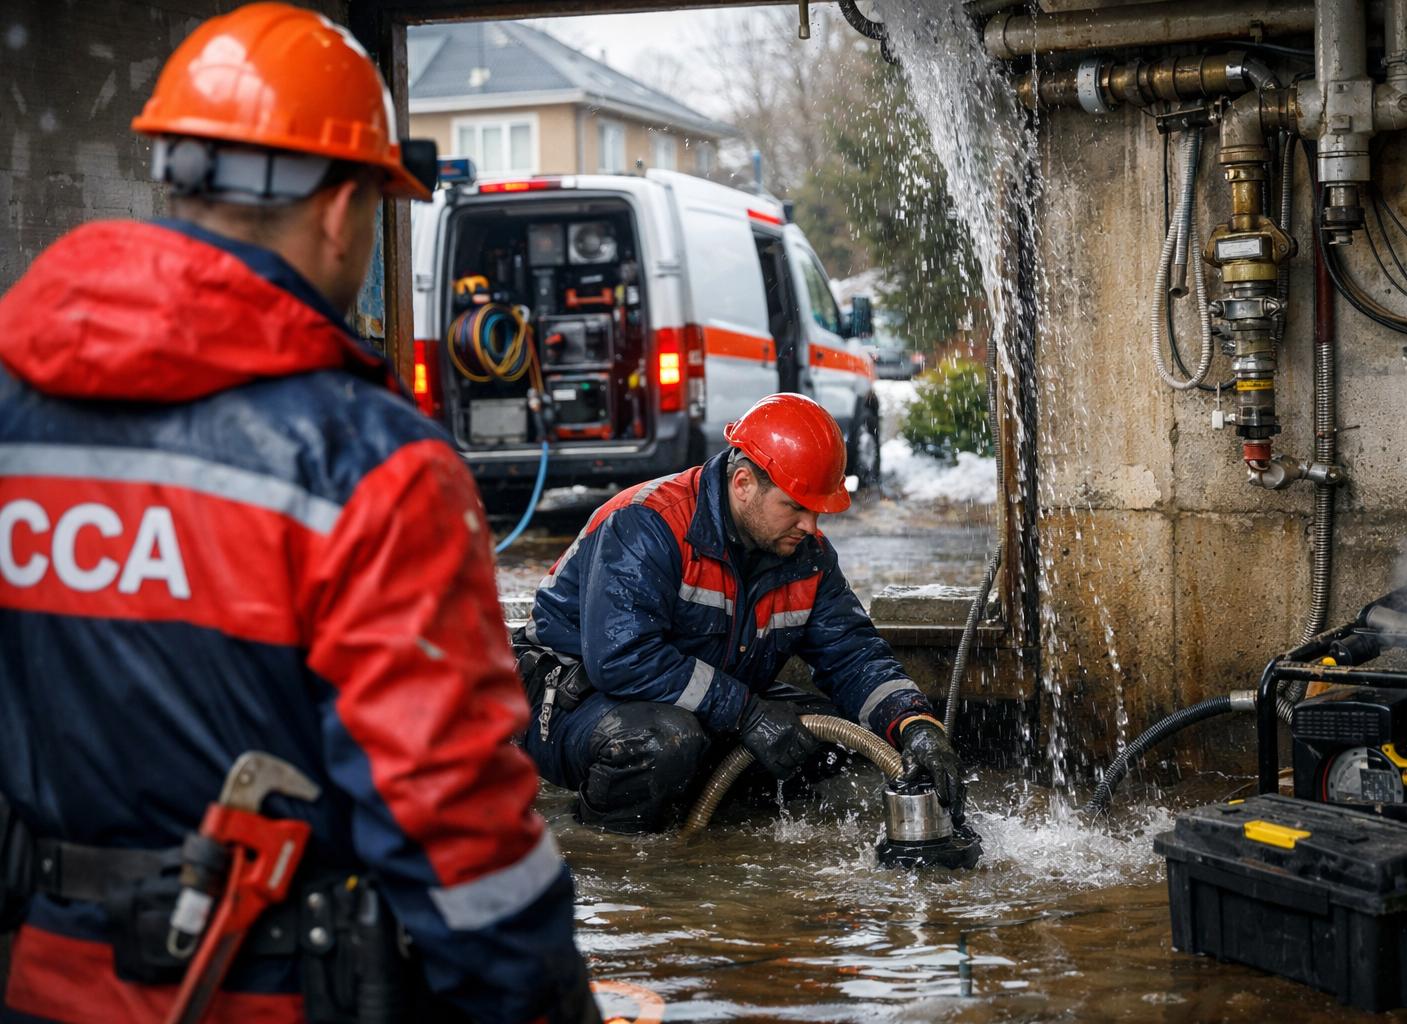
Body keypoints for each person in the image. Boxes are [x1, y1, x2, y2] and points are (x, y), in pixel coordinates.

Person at [0, 5, 595, 1022]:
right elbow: (460, 836)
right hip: (269, 993)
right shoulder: (370, 466)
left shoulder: (15, 406)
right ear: (339, 213)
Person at [516, 392, 964, 833]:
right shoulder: (649, 523)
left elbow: (853, 654)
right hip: (572, 706)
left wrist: (913, 724)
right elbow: (622, 658)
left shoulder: (807, 554)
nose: (811, 526)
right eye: (796, 507)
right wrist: (746, 713)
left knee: (827, 738)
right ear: (744, 483)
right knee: (661, 743)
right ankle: (612, 850)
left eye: (818, 510)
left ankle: (703, 816)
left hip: (696, 707)